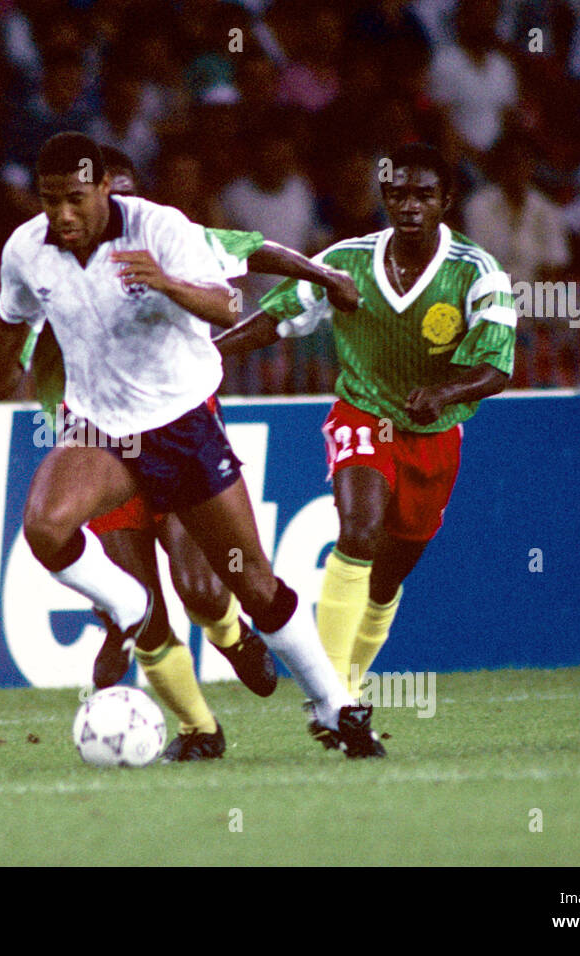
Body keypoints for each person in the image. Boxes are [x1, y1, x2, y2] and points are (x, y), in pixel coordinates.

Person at [0, 132, 383, 759]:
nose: (62, 214)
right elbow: (7, 332)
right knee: (45, 526)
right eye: (49, 200)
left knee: (247, 583)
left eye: (75, 200)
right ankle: (131, 609)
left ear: (103, 190)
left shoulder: (162, 228)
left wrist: (168, 284)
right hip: (98, 429)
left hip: (180, 424)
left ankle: (336, 706)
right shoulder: (27, 249)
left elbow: (229, 305)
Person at [215, 143, 516, 746]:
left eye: (423, 195)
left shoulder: (477, 272)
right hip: (363, 412)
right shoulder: (343, 263)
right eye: (399, 194)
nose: (410, 206)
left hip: (434, 435)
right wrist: (207, 353)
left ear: (445, 202)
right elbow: (276, 318)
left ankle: (345, 688)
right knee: (358, 531)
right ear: (384, 199)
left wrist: (445, 392)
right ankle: (329, 701)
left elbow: (498, 367)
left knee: (387, 579)